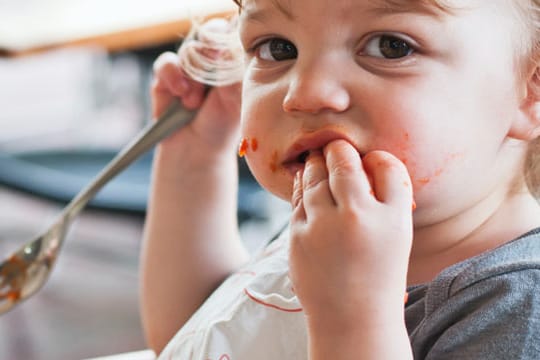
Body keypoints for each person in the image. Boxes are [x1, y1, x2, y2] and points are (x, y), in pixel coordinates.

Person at [140, 0, 540, 358]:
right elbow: (197, 338)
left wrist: (353, 316)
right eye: (278, 48)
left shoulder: (518, 307)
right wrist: (194, 155)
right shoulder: (330, 214)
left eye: (390, 46)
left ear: (531, 90)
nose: (306, 93)